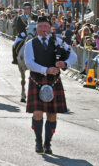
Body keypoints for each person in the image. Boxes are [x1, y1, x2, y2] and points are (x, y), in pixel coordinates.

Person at [24, 16, 77, 154]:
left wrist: (65, 64)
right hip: (37, 80)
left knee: (52, 114)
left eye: (45, 27)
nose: (43, 29)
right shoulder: (30, 44)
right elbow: (29, 63)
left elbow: (74, 56)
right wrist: (45, 70)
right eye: (40, 27)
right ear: (36, 28)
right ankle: (38, 141)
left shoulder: (58, 42)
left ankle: (48, 144)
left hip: (53, 81)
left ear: (50, 28)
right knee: (37, 113)